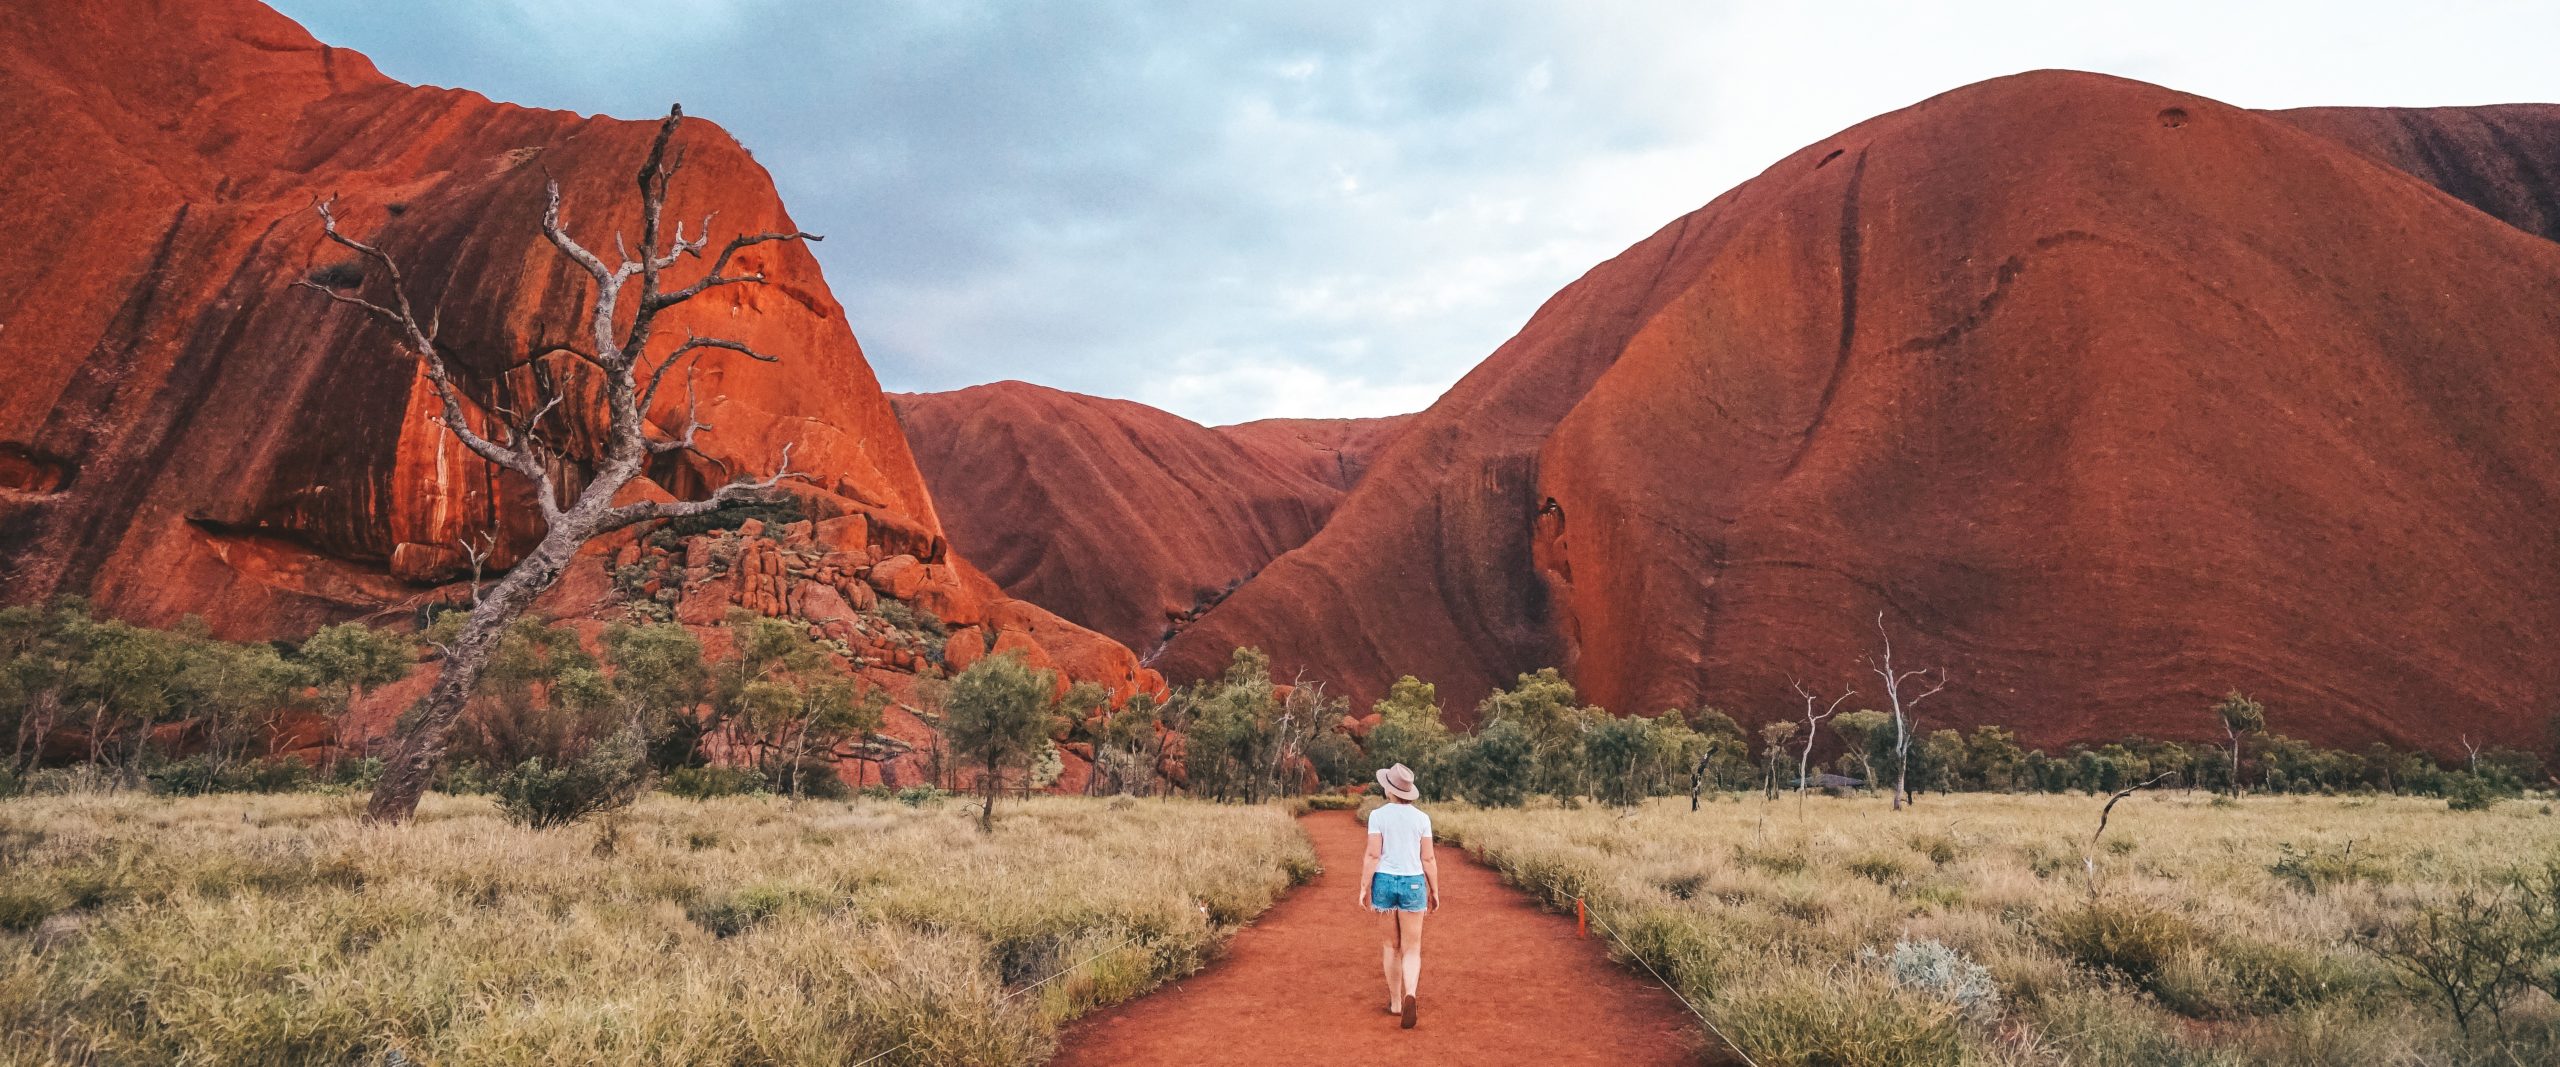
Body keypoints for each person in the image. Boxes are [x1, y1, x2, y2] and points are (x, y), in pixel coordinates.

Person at [1356, 762, 1441, 1029]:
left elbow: (1373, 854)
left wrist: (1363, 886)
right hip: (1413, 883)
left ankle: (1394, 1002)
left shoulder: (1378, 816)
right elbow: (1427, 858)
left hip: (1384, 881)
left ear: (1388, 789)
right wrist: (1434, 890)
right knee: (1412, 948)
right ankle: (1411, 993)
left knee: (1390, 946)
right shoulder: (1422, 819)